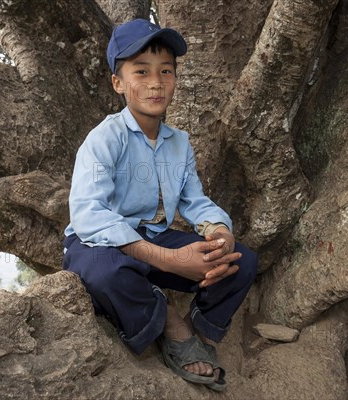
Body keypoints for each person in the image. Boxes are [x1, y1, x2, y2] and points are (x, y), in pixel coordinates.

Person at [62, 18, 258, 392]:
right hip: (97, 244)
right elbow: (88, 215)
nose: (155, 82)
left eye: (165, 71)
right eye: (141, 71)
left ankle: (199, 331)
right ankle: (167, 320)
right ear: (118, 83)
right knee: (104, 275)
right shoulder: (105, 138)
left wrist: (219, 233)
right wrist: (169, 260)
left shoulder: (178, 143)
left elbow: (194, 201)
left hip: (152, 237)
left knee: (241, 262)